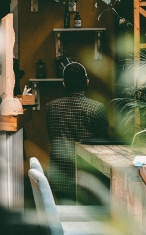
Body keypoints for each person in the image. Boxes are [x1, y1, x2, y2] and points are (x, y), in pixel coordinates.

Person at [44, 62, 109, 199]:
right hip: (88, 180)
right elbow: (104, 143)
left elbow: (52, 137)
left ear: (64, 84)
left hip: (59, 177)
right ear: (87, 82)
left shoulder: (51, 108)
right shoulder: (96, 108)